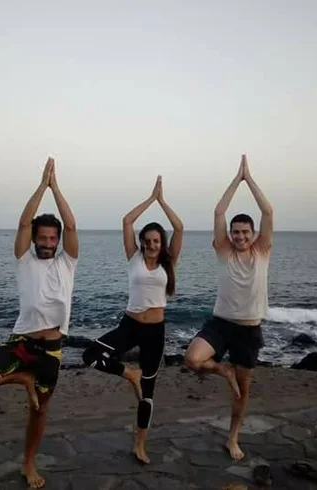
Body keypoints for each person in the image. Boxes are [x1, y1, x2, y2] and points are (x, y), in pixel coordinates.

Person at [0, 157, 78, 489]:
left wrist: (56, 187)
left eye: (52, 239)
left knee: (39, 412)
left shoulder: (67, 263)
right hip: (21, 344)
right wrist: (42, 186)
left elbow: (71, 227)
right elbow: (24, 222)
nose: (48, 243)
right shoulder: (24, 259)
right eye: (43, 238)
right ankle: (21, 378)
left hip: (51, 351)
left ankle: (28, 463)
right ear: (35, 239)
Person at [82, 175, 184, 464]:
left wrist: (162, 201)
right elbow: (127, 220)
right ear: (141, 242)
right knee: (90, 355)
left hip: (155, 331)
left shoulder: (169, 261)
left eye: (156, 241)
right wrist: (150, 199)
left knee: (148, 393)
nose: (152, 244)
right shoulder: (133, 258)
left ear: (162, 243)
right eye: (147, 240)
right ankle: (129, 374)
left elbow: (179, 227)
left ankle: (140, 443)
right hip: (129, 326)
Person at [184, 154, 273, 462]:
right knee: (192, 359)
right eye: (235, 232)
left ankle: (233, 437)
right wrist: (237, 180)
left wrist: (250, 179)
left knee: (241, 392)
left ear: (254, 234)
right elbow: (219, 211)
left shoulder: (262, 251)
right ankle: (222, 369)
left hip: (249, 330)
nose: (240, 236)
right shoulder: (223, 251)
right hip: (221, 325)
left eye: (245, 232)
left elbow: (268, 211)